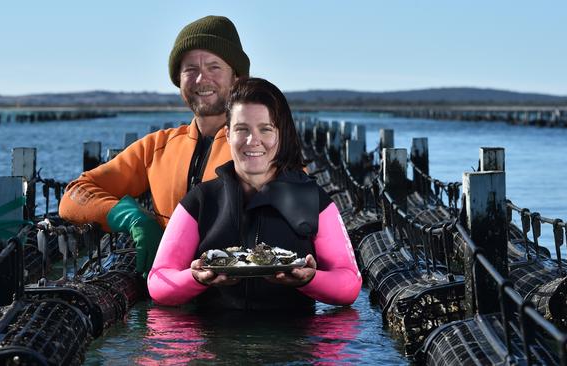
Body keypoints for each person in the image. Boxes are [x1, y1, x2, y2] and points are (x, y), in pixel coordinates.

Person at [58, 15, 250, 277]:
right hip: (169, 300)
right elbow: (74, 196)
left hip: (244, 306)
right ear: (179, 81)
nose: (201, 79)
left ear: (237, 78)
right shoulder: (157, 148)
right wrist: (131, 217)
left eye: (214, 67)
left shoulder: (260, 147)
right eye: (190, 69)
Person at [147, 78, 361, 310]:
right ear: (227, 134)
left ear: (281, 134)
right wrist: (195, 277)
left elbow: (349, 284)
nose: (252, 141)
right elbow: (158, 281)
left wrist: (310, 279)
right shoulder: (200, 200)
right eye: (242, 129)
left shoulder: (314, 200)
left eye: (265, 129)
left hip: (294, 342)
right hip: (213, 340)